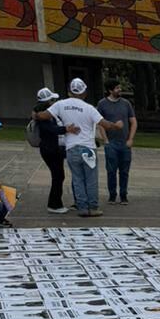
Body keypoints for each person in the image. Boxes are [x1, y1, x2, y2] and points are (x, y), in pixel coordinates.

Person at [37, 78, 124, 217]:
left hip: (71, 148)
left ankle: (82, 207)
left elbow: (43, 115)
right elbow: (105, 124)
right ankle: (93, 207)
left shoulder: (60, 104)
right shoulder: (89, 108)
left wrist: (35, 114)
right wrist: (116, 126)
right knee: (91, 179)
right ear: (84, 92)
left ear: (70, 91)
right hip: (88, 148)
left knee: (77, 179)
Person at [32, 87, 78, 214]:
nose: (54, 102)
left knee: (58, 176)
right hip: (50, 149)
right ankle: (54, 204)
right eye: (52, 99)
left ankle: (56, 203)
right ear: (47, 101)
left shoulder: (46, 112)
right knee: (58, 176)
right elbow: (51, 129)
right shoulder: (43, 114)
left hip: (53, 148)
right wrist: (66, 129)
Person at [96, 79, 136, 204]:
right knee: (111, 171)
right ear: (110, 90)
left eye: (120, 87)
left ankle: (124, 195)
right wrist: (105, 139)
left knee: (124, 171)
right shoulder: (102, 104)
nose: (120, 90)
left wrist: (130, 139)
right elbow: (100, 123)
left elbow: (133, 121)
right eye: (117, 88)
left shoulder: (126, 103)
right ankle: (112, 195)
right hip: (111, 143)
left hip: (124, 142)